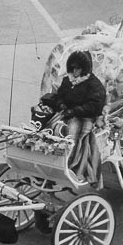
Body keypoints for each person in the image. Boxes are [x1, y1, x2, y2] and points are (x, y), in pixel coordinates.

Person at [36, 50, 107, 184]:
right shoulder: (67, 81)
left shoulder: (94, 85)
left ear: (84, 69)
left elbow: (95, 106)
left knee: (70, 133)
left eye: (78, 69)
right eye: (73, 68)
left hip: (84, 117)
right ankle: (47, 159)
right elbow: (60, 96)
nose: (75, 72)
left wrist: (75, 111)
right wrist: (61, 104)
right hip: (66, 113)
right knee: (50, 128)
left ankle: (68, 163)